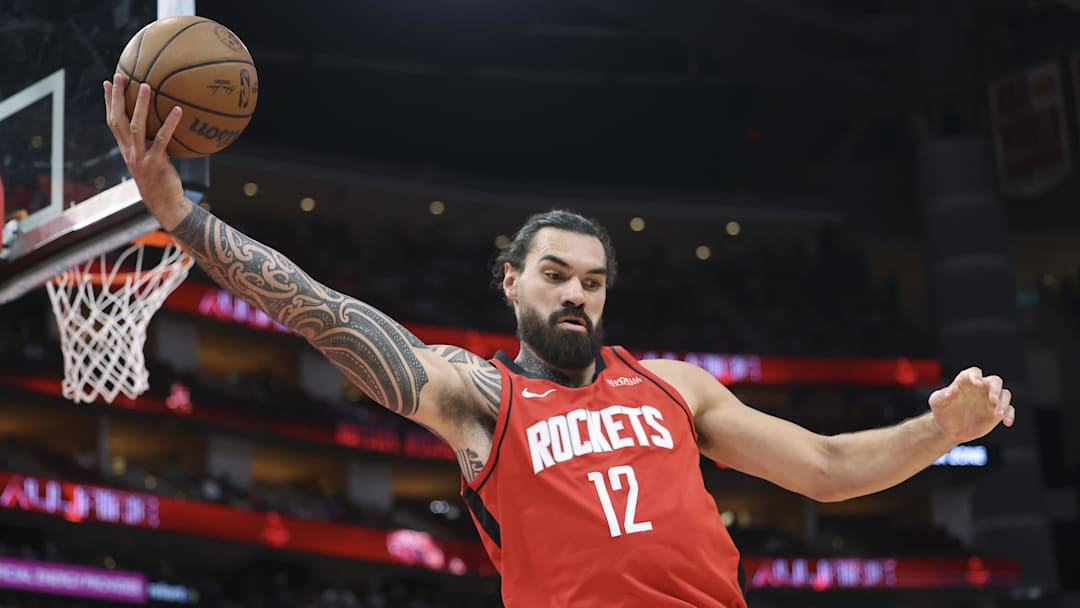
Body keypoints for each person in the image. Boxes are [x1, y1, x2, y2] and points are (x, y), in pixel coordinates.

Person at [104, 74, 1017, 608]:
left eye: (593, 280)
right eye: (555, 274)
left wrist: (940, 430)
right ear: (510, 282)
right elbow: (321, 308)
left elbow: (823, 466)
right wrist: (185, 219)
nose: (577, 292)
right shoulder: (480, 398)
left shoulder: (675, 388)